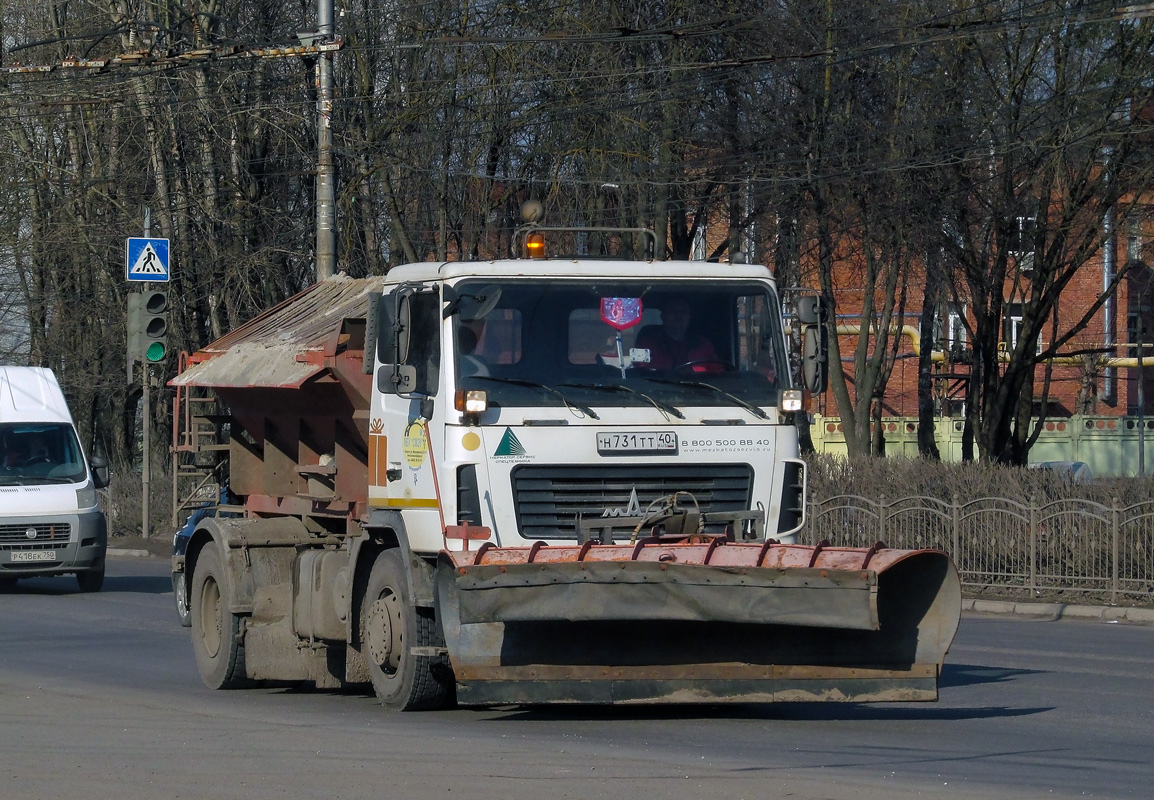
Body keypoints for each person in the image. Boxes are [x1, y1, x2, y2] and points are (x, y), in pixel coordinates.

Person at [634, 297, 721, 372]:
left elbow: (718, 377)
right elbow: (638, 373)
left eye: (683, 312)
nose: (678, 315)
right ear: (663, 316)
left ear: (689, 318)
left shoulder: (704, 346)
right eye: (673, 311)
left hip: (698, 390)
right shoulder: (648, 344)